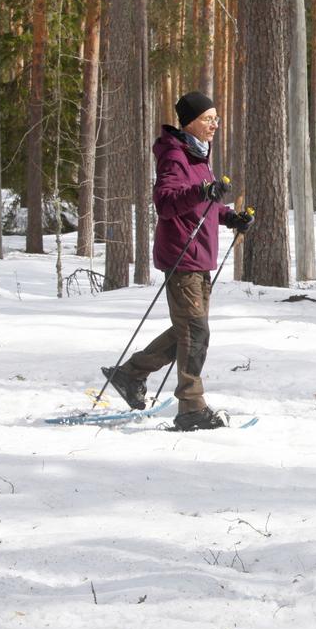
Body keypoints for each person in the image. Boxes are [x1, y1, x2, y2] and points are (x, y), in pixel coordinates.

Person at [101, 91, 254, 431]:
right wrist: (202, 191)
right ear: (190, 122)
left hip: (199, 256)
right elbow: (166, 203)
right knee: (195, 332)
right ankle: (191, 407)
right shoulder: (174, 155)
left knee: (188, 330)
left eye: (216, 118)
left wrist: (230, 217)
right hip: (182, 255)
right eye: (208, 119)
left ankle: (130, 374)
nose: (215, 124)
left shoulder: (198, 155)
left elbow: (204, 205)